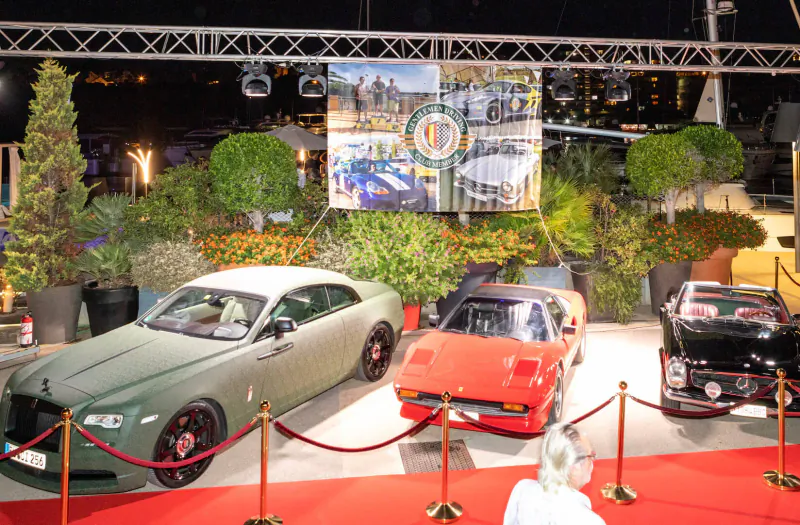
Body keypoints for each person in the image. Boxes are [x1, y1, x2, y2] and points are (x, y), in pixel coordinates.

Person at [503, 423, 605, 525]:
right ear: (575, 465)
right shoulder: (589, 520)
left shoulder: (522, 489)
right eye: (590, 456)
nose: (593, 461)